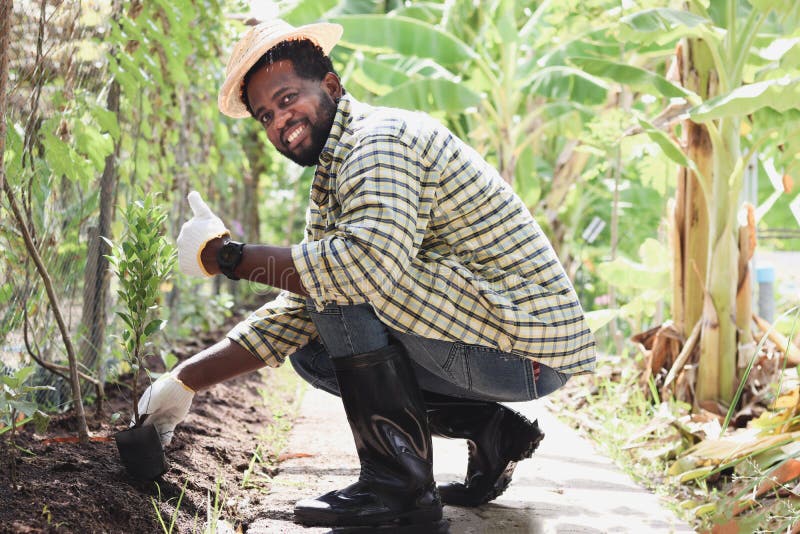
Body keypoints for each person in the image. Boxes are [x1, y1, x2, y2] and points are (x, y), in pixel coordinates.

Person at [136, 18, 596, 530]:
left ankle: (399, 491)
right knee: (312, 351)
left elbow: (358, 272)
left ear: (330, 86)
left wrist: (229, 258)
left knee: (345, 280)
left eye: (288, 99)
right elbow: (304, 300)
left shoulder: (378, 143)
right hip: (497, 344)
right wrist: (182, 382)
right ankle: (491, 431)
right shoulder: (337, 170)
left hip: (521, 351)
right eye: (265, 116)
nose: (279, 123)